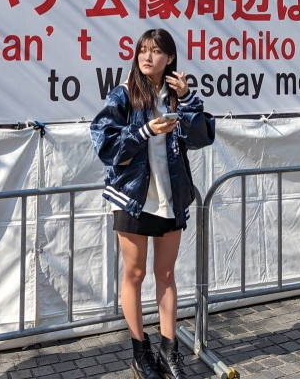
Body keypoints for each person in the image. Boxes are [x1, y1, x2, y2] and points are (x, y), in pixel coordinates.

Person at [90, 29, 215, 379]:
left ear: (170, 58)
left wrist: (188, 99)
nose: (147, 57)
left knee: (165, 274)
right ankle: (138, 350)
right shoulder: (125, 94)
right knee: (135, 273)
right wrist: (145, 131)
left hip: (170, 198)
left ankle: (168, 350)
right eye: (143, 50)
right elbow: (103, 143)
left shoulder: (177, 96)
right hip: (132, 199)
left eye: (156, 51)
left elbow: (202, 136)